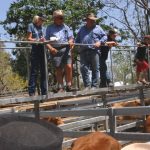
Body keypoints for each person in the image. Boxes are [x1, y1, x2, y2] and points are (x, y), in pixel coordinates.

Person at [76, 13, 107, 90]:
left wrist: (100, 42)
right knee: (83, 68)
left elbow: (105, 36)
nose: (93, 21)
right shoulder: (81, 29)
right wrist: (77, 47)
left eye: (94, 20)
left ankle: (94, 86)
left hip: (94, 50)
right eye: (91, 20)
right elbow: (77, 40)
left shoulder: (98, 28)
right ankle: (87, 86)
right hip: (83, 51)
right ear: (87, 20)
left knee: (95, 68)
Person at [46, 10, 74, 92]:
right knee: (58, 68)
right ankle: (61, 87)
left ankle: (69, 85)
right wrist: (51, 48)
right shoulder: (49, 28)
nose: (62, 19)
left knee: (69, 66)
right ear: (55, 18)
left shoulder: (66, 27)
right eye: (60, 18)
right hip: (55, 50)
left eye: (62, 18)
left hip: (66, 48)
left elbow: (71, 38)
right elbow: (45, 41)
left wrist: (71, 41)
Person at [27, 14, 47, 96]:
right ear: (37, 18)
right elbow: (28, 38)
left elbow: (45, 38)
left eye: (43, 20)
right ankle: (31, 92)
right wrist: (37, 40)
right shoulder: (31, 25)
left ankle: (44, 92)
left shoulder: (44, 28)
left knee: (44, 71)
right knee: (34, 71)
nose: (42, 21)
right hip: (35, 49)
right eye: (41, 20)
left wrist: (44, 40)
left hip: (43, 49)